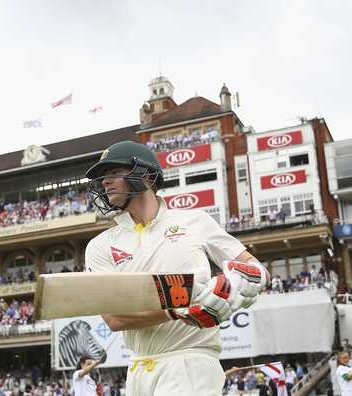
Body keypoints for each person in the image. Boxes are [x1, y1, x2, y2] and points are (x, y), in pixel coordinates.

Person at [84, 141, 269, 396]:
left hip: (190, 360)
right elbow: (114, 319)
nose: (105, 181)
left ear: (146, 176)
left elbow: (254, 268)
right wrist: (181, 311)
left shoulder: (195, 221)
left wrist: (236, 286)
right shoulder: (100, 245)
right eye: (103, 177)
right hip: (138, 368)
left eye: (115, 172)